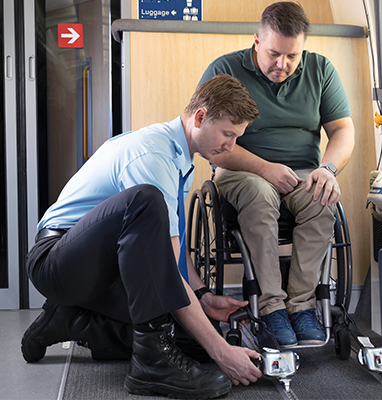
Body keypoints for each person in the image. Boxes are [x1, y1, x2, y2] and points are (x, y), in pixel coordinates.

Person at [21, 74, 263, 399]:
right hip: (56, 263)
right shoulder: (153, 156)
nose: (230, 147)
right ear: (201, 117)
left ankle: (69, 320)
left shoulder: (180, 158)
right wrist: (222, 351)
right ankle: (151, 367)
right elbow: (167, 275)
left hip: (99, 272)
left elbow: (171, 256)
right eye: (228, 134)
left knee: (190, 341)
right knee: (144, 200)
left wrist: (203, 296)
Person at [198, 2, 355, 348]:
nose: (281, 65)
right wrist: (265, 168)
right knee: (259, 192)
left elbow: (343, 129)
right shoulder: (225, 70)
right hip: (240, 170)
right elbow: (211, 140)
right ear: (256, 40)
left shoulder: (320, 70)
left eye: (291, 56)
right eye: (273, 54)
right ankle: (271, 309)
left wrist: (327, 170)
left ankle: (301, 306)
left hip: (302, 173)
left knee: (323, 197)